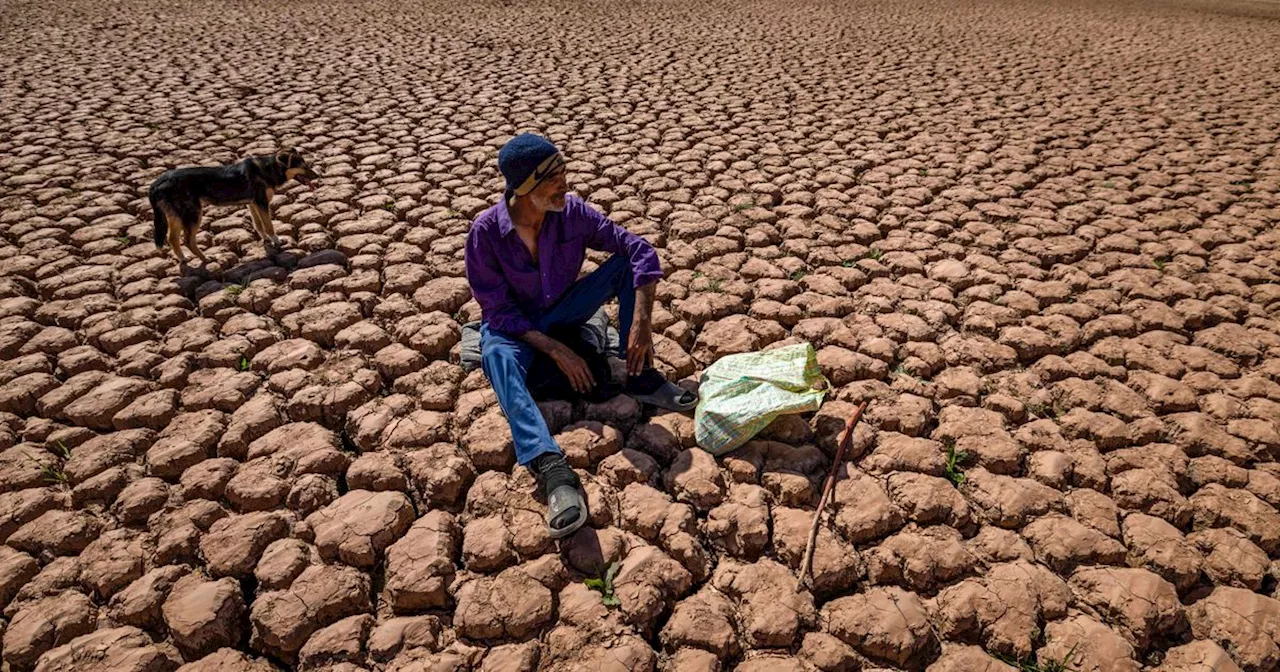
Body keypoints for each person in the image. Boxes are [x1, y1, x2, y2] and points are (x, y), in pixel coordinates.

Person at [464, 133, 697, 538]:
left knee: (624, 267)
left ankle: (643, 379)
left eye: (564, 171)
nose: (565, 183)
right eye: (553, 177)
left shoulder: (572, 214)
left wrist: (641, 323)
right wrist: (557, 351)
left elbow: (638, 249)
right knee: (496, 357)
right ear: (523, 187)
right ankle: (552, 469)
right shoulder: (485, 234)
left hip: (564, 311)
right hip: (517, 329)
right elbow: (497, 309)